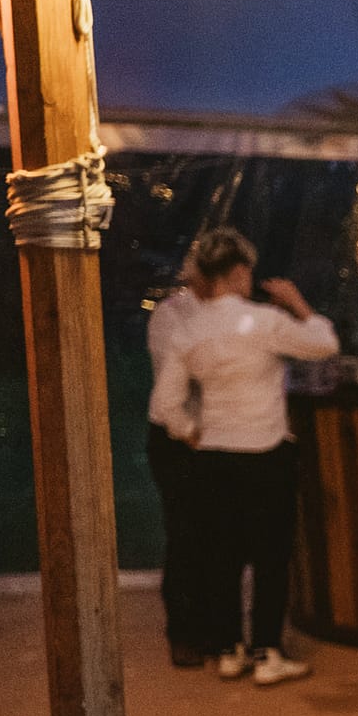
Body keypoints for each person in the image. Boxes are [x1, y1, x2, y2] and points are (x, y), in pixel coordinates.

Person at [153, 228, 339, 687]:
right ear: (239, 272)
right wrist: (298, 303)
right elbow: (323, 344)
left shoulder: (188, 330)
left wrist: (191, 433)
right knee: (271, 557)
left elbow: (164, 406)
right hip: (265, 451)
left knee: (222, 557)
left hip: (213, 455)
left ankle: (229, 649)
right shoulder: (264, 322)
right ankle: (267, 652)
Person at [144, 256, 209, 668]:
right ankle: (182, 634)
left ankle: (216, 631)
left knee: (217, 537)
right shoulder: (172, 316)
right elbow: (175, 390)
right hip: (178, 437)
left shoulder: (233, 314)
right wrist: (191, 432)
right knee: (186, 536)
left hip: (213, 438)